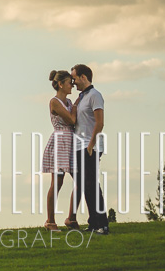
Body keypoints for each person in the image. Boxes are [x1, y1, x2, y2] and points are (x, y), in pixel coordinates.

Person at [71, 63, 109, 235]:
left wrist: (91, 145)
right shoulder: (81, 98)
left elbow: (100, 123)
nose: (73, 82)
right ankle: (93, 223)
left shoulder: (95, 95)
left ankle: (103, 224)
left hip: (90, 146)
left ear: (83, 77)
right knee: (86, 186)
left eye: (75, 78)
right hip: (79, 147)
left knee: (92, 185)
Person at [41, 69, 78, 231]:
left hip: (71, 141)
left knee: (81, 181)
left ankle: (71, 217)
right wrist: (76, 108)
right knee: (57, 183)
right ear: (61, 84)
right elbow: (71, 120)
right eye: (70, 83)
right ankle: (50, 221)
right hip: (61, 141)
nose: (72, 86)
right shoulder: (55, 102)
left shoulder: (69, 102)